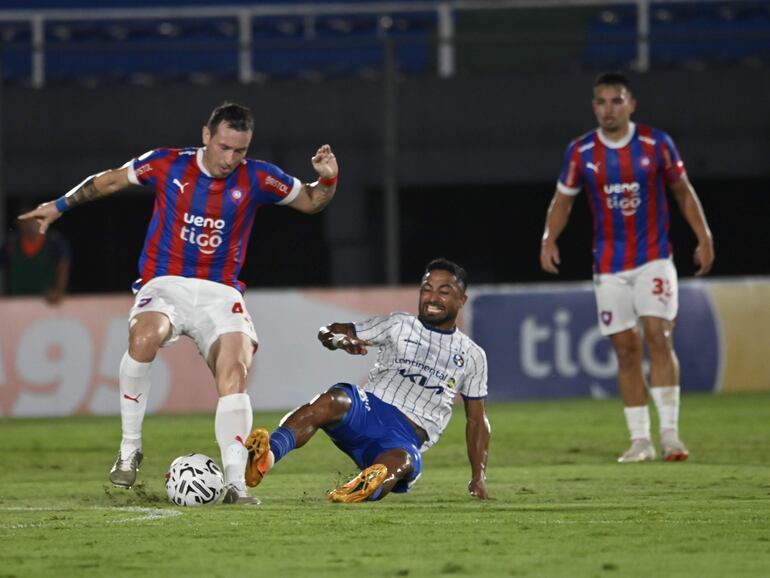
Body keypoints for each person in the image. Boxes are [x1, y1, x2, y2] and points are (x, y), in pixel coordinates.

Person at [19, 102, 338, 504]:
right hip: (165, 284)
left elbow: (311, 201)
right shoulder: (167, 164)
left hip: (221, 291)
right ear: (206, 135)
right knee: (144, 337)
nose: (230, 159)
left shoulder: (257, 176)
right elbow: (109, 182)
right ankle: (130, 448)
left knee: (235, 369)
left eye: (240, 151)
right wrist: (57, 207)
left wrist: (328, 180)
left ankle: (236, 485)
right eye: (224, 147)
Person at [540, 71, 714, 463]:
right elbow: (563, 200)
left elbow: (683, 192)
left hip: (654, 257)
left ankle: (670, 434)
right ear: (594, 107)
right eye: (601, 102)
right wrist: (548, 239)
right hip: (609, 265)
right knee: (626, 350)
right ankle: (641, 440)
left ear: (630, 104)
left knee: (658, 335)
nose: (609, 109)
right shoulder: (582, 151)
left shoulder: (656, 143)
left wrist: (704, 237)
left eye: (616, 101)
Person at [242, 258, 491, 503]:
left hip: (404, 438)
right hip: (367, 410)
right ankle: (267, 457)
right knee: (333, 399)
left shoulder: (472, 355)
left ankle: (360, 489)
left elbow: (476, 419)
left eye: (444, 292)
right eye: (427, 289)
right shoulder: (399, 325)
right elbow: (329, 330)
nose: (432, 298)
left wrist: (477, 476)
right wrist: (340, 340)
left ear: (462, 299)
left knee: (402, 461)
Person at [1, 203, 71, 304]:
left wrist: (58, 291)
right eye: (25, 220)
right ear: (18, 223)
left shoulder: (54, 242)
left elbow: (63, 267)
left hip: (46, 302)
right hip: (18, 302)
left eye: (33, 219)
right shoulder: (11, 245)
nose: (29, 224)